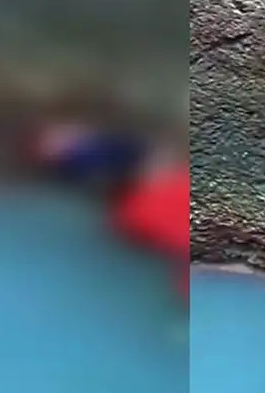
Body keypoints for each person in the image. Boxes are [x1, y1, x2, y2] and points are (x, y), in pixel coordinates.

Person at [28, 121, 189, 298]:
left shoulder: (107, 148)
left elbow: (152, 154)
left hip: (146, 189)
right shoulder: (75, 166)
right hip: (139, 197)